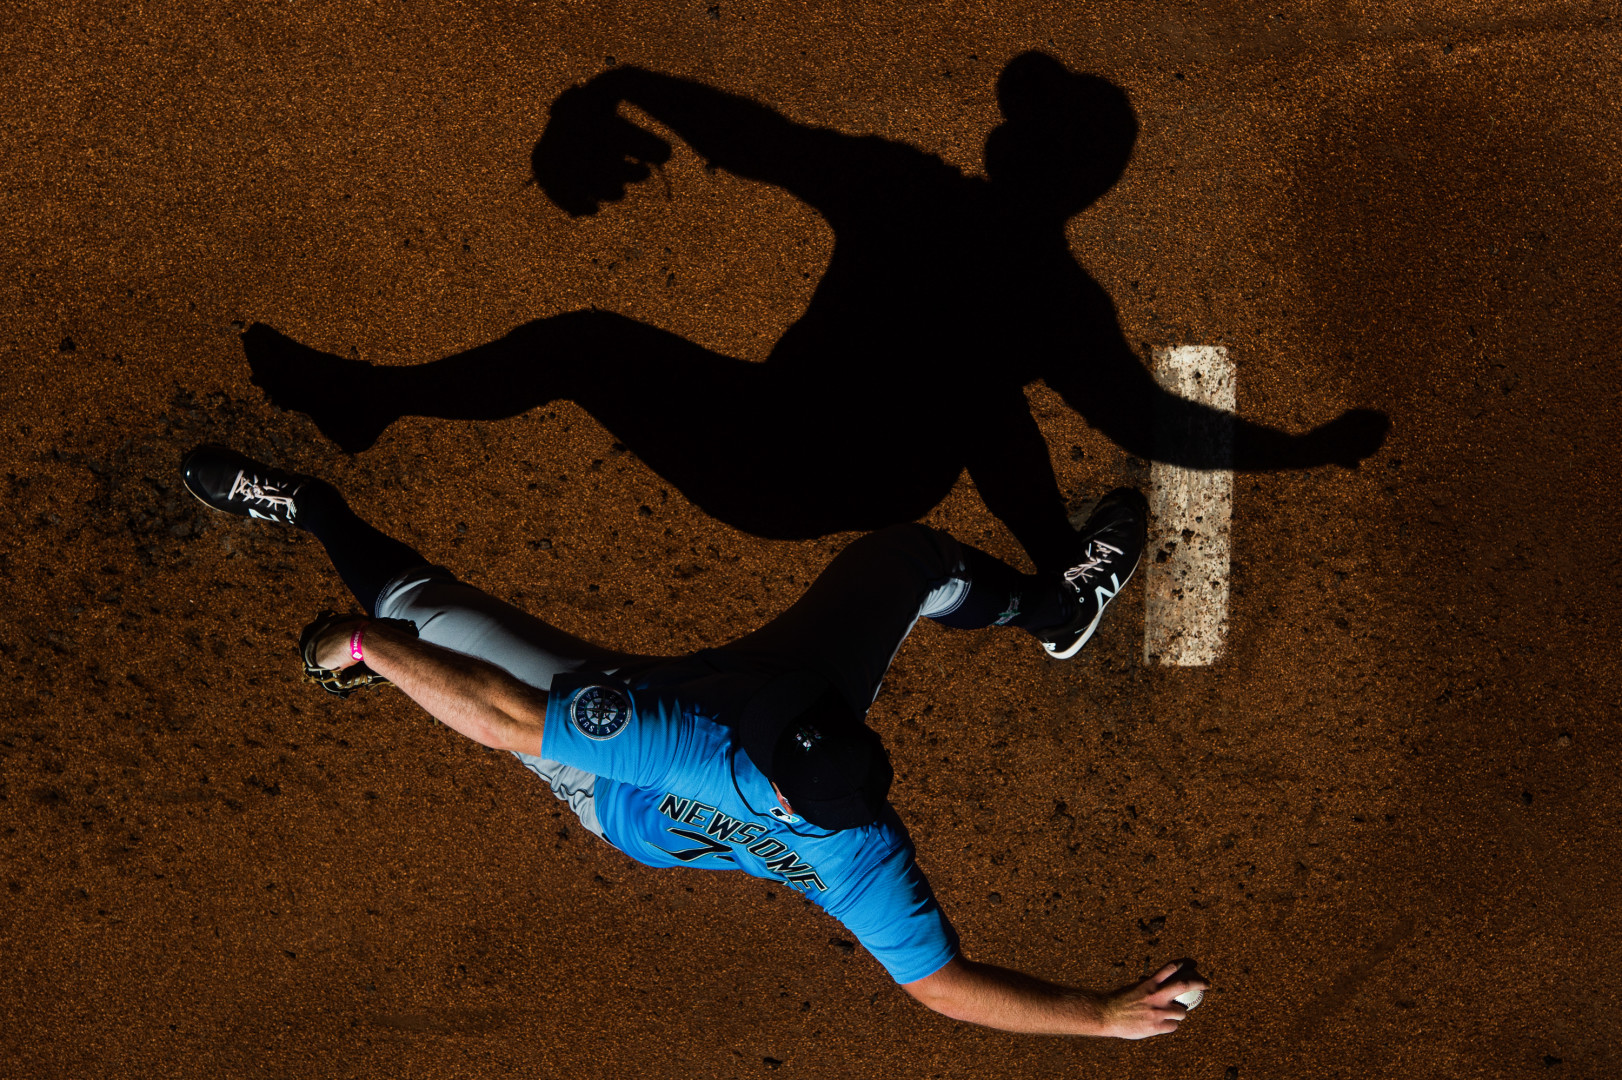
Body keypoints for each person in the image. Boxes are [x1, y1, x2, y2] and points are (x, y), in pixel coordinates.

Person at [180, 443, 1207, 1039]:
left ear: (778, 779)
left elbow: (497, 719)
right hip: (792, 684)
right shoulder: (862, 845)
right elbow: (938, 982)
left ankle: (313, 507)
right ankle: (1050, 612)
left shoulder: (694, 741)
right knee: (908, 558)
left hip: (614, 789)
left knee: (418, 613)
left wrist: (369, 645)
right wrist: (1096, 1016)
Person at [242, 51, 1387, 574]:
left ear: (1024, 150)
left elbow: (756, 141)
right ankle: (1048, 579)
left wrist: (612, 89)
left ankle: (367, 401)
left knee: (587, 346)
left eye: (1023, 120)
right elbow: (1151, 427)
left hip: (771, 453)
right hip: (846, 467)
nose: (999, 124)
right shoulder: (1052, 295)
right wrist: (1304, 451)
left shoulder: (911, 194)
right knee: (983, 388)